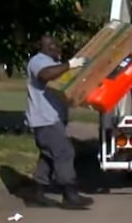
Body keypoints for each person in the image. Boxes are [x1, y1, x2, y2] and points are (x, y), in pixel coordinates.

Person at [24, 35, 95, 210]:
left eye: (56, 45)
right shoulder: (38, 61)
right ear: (43, 47)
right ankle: (69, 195)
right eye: (51, 45)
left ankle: (36, 194)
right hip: (45, 120)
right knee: (64, 152)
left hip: (51, 119)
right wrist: (70, 65)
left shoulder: (53, 62)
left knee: (49, 156)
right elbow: (45, 75)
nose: (56, 48)